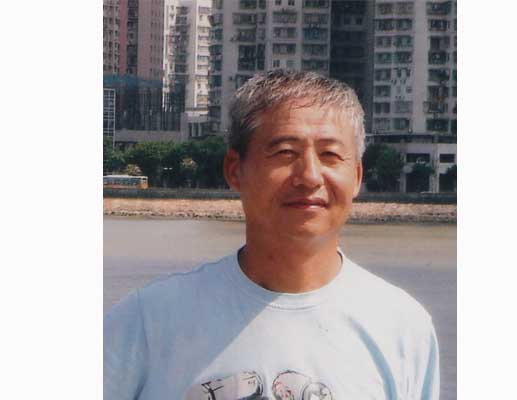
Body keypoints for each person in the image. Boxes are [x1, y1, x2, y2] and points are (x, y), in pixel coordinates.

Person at [104, 70, 440, 400]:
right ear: (235, 170)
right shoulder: (147, 322)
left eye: (330, 155)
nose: (310, 176)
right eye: (285, 153)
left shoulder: (403, 329)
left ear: (356, 176)